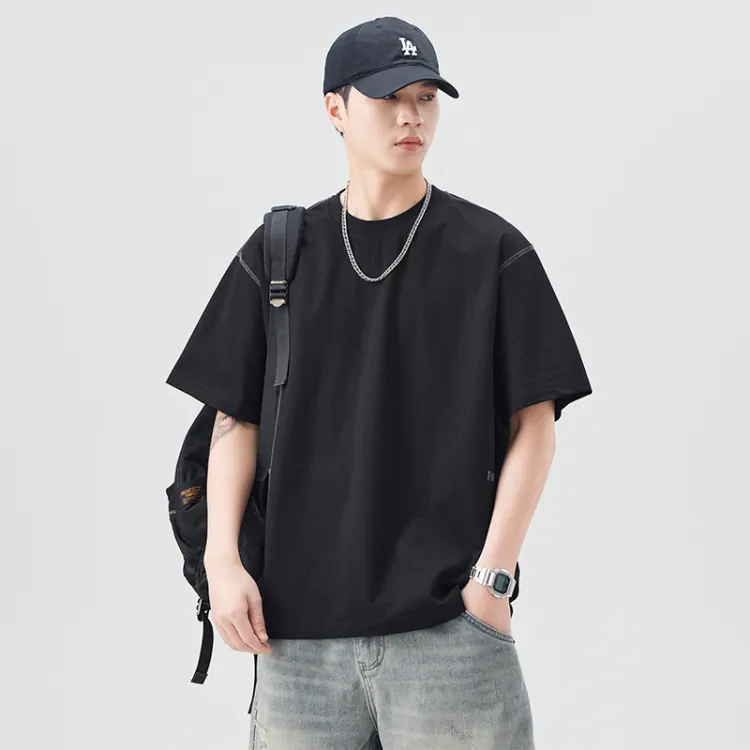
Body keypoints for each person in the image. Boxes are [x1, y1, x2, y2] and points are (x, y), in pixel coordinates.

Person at [166, 15, 592, 750]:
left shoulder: (492, 251)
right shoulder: (279, 253)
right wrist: (223, 563)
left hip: (448, 631)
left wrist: (491, 583)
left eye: (426, 98)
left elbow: (536, 427)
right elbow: (235, 420)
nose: (411, 116)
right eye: (389, 97)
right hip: (295, 640)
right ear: (335, 108)